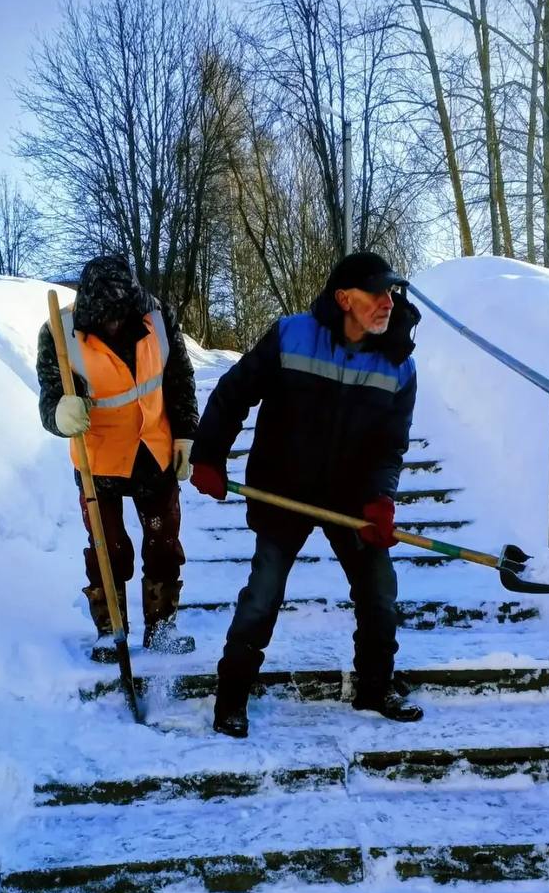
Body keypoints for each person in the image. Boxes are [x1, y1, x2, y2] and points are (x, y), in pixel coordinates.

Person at [190, 250, 423, 738]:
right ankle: (231, 698)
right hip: (283, 490)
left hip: (352, 497)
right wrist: (209, 456)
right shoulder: (291, 336)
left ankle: (375, 687)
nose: (388, 302)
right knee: (262, 596)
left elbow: (391, 446)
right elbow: (234, 393)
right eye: (376, 293)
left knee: (380, 593)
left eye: (392, 293)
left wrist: (381, 499)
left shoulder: (399, 365)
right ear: (344, 298)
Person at [36, 254, 199, 652]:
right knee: (108, 549)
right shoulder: (60, 332)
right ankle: (111, 631)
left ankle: (161, 629)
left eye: (118, 316)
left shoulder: (157, 318)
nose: (112, 324)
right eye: (104, 318)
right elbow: (49, 400)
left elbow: (179, 379)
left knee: (163, 544)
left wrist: (185, 436)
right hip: (99, 459)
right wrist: (60, 413)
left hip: (153, 448)